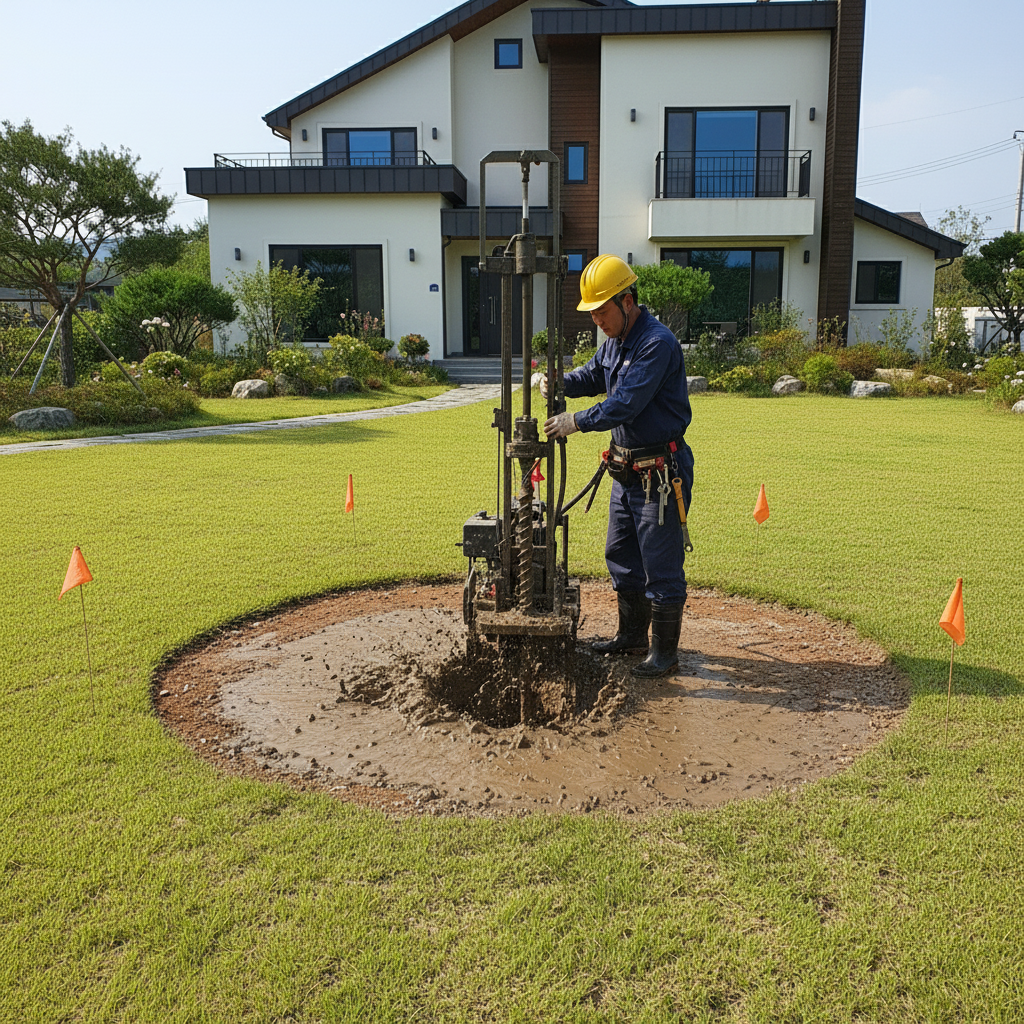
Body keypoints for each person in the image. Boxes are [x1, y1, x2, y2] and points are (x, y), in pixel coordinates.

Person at [542, 254, 693, 677]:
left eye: (602, 311)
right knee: (621, 555)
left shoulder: (656, 343)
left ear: (627, 301)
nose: (597, 321)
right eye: (591, 314)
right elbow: (592, 376)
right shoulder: (613, 340)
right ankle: (632, 637)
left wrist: (575, 422)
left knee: (660, 566)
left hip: (660, 475)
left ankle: (664, 655)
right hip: (625, 471)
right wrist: (558, 381)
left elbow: (625, 403)